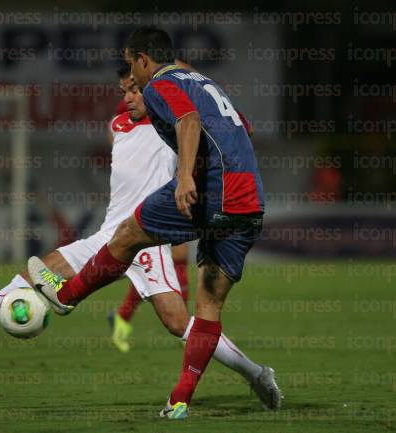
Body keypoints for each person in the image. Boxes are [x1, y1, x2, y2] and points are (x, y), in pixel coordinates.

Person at [0, 63, 280, 411]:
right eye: (125, 92)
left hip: (148, 239)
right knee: (33, 275)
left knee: (176, 322)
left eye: (136, 89)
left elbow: (194, 121)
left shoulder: (171, 120)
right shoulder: (118, 126)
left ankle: (256, 374)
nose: (131, 97)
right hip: (110, 235)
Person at [27, 26, 272, 419]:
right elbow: (244, 126)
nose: (130, 78)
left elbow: (189, 121)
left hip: (211, 191)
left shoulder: (160, 84)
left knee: (129, 232)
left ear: (143, 59)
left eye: (130, 65)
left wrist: (188, 175)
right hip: (249, 199)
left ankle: (67, 295)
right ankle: (179, 401)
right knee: (208, 303)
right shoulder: (204, 82)